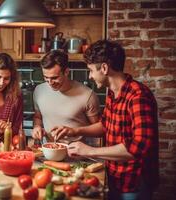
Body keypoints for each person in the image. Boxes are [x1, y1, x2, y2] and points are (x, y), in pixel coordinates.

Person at [55, 40, 159, 200]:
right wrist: (75, 130)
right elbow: (105, 125)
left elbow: (139, 147)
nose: (89, 76)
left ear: (104, 68)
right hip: (113, 176)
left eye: (90, 70)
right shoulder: (113, 92)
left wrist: (90, 151)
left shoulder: (138, 96)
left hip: (133, 183)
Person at [32, 50, 100, 144]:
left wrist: (74, 131)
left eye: (54, 78)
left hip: (78, 154)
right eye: (46, 77)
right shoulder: (39, 90)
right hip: (49, 151)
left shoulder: (88, 95)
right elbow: (38, 116)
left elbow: (99, 130)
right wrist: (37, 127)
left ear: (66, 72)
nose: (50, 83)